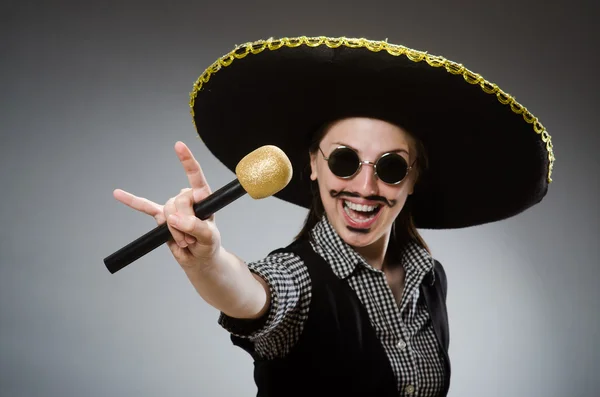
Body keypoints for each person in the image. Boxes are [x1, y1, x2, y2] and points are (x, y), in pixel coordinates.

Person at [113, 36, 554, 397]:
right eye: (344, 161)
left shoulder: (429, 277)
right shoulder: (297, 277)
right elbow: (256, 295)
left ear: (414, 179)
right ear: (314, 165)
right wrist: (207, 261)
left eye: (391, 167)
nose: (364, 187)